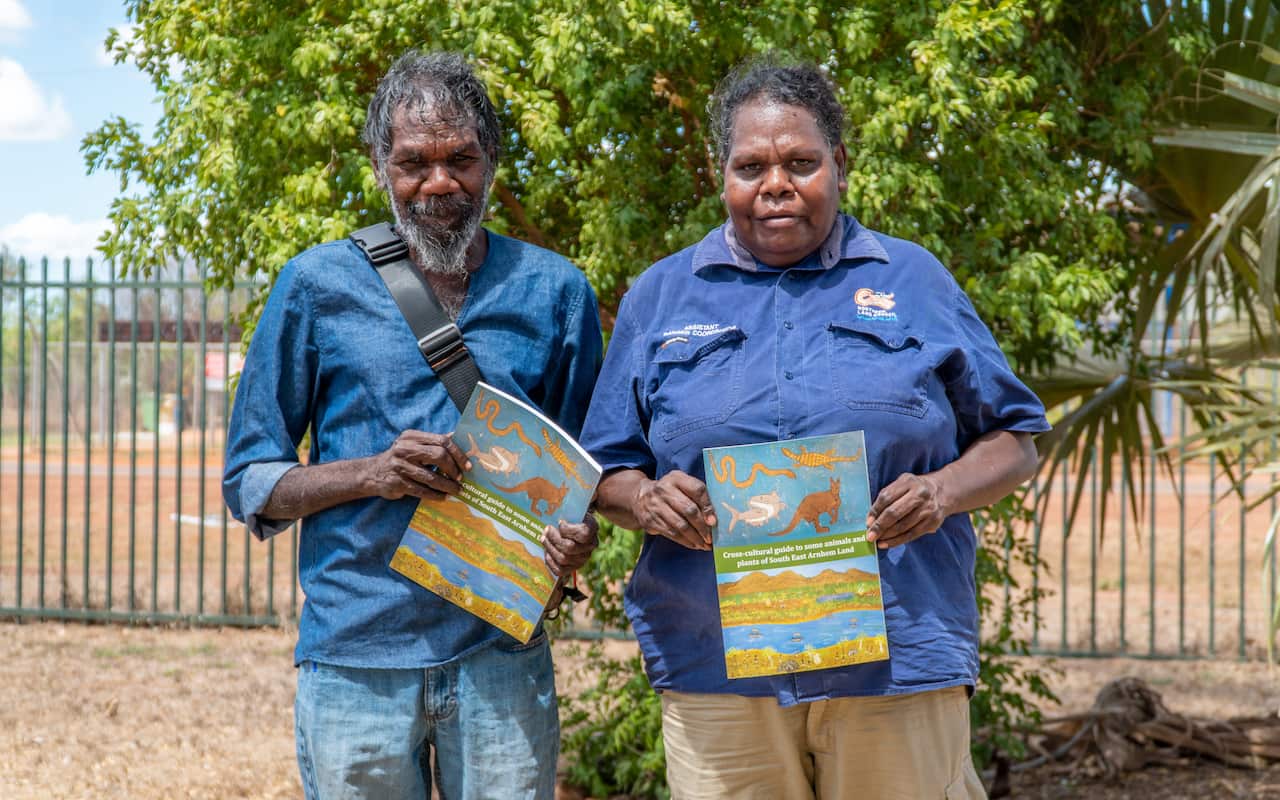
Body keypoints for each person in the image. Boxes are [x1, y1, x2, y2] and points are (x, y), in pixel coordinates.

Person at [580, 56, 1048, 800]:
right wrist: (642, 500)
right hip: (718, 667)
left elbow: (1014, 441)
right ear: (722, 176)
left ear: (840, 164)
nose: (776, 184)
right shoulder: (661, 296)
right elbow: (602, 467)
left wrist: (940, 493)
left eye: (801, 163)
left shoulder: (914, 280)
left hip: (897, 661)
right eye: (751, 166)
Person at [222, 50, 602, 800]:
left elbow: (588, 473)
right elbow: (250, 479)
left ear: (492, 161)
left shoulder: (555, 292)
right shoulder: (315, 286)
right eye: (413, 163)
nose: (439, 183)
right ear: (379, 167)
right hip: (356, 656)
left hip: (501, 653)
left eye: (461, 159)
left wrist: (577, 537)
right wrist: (373, 472)